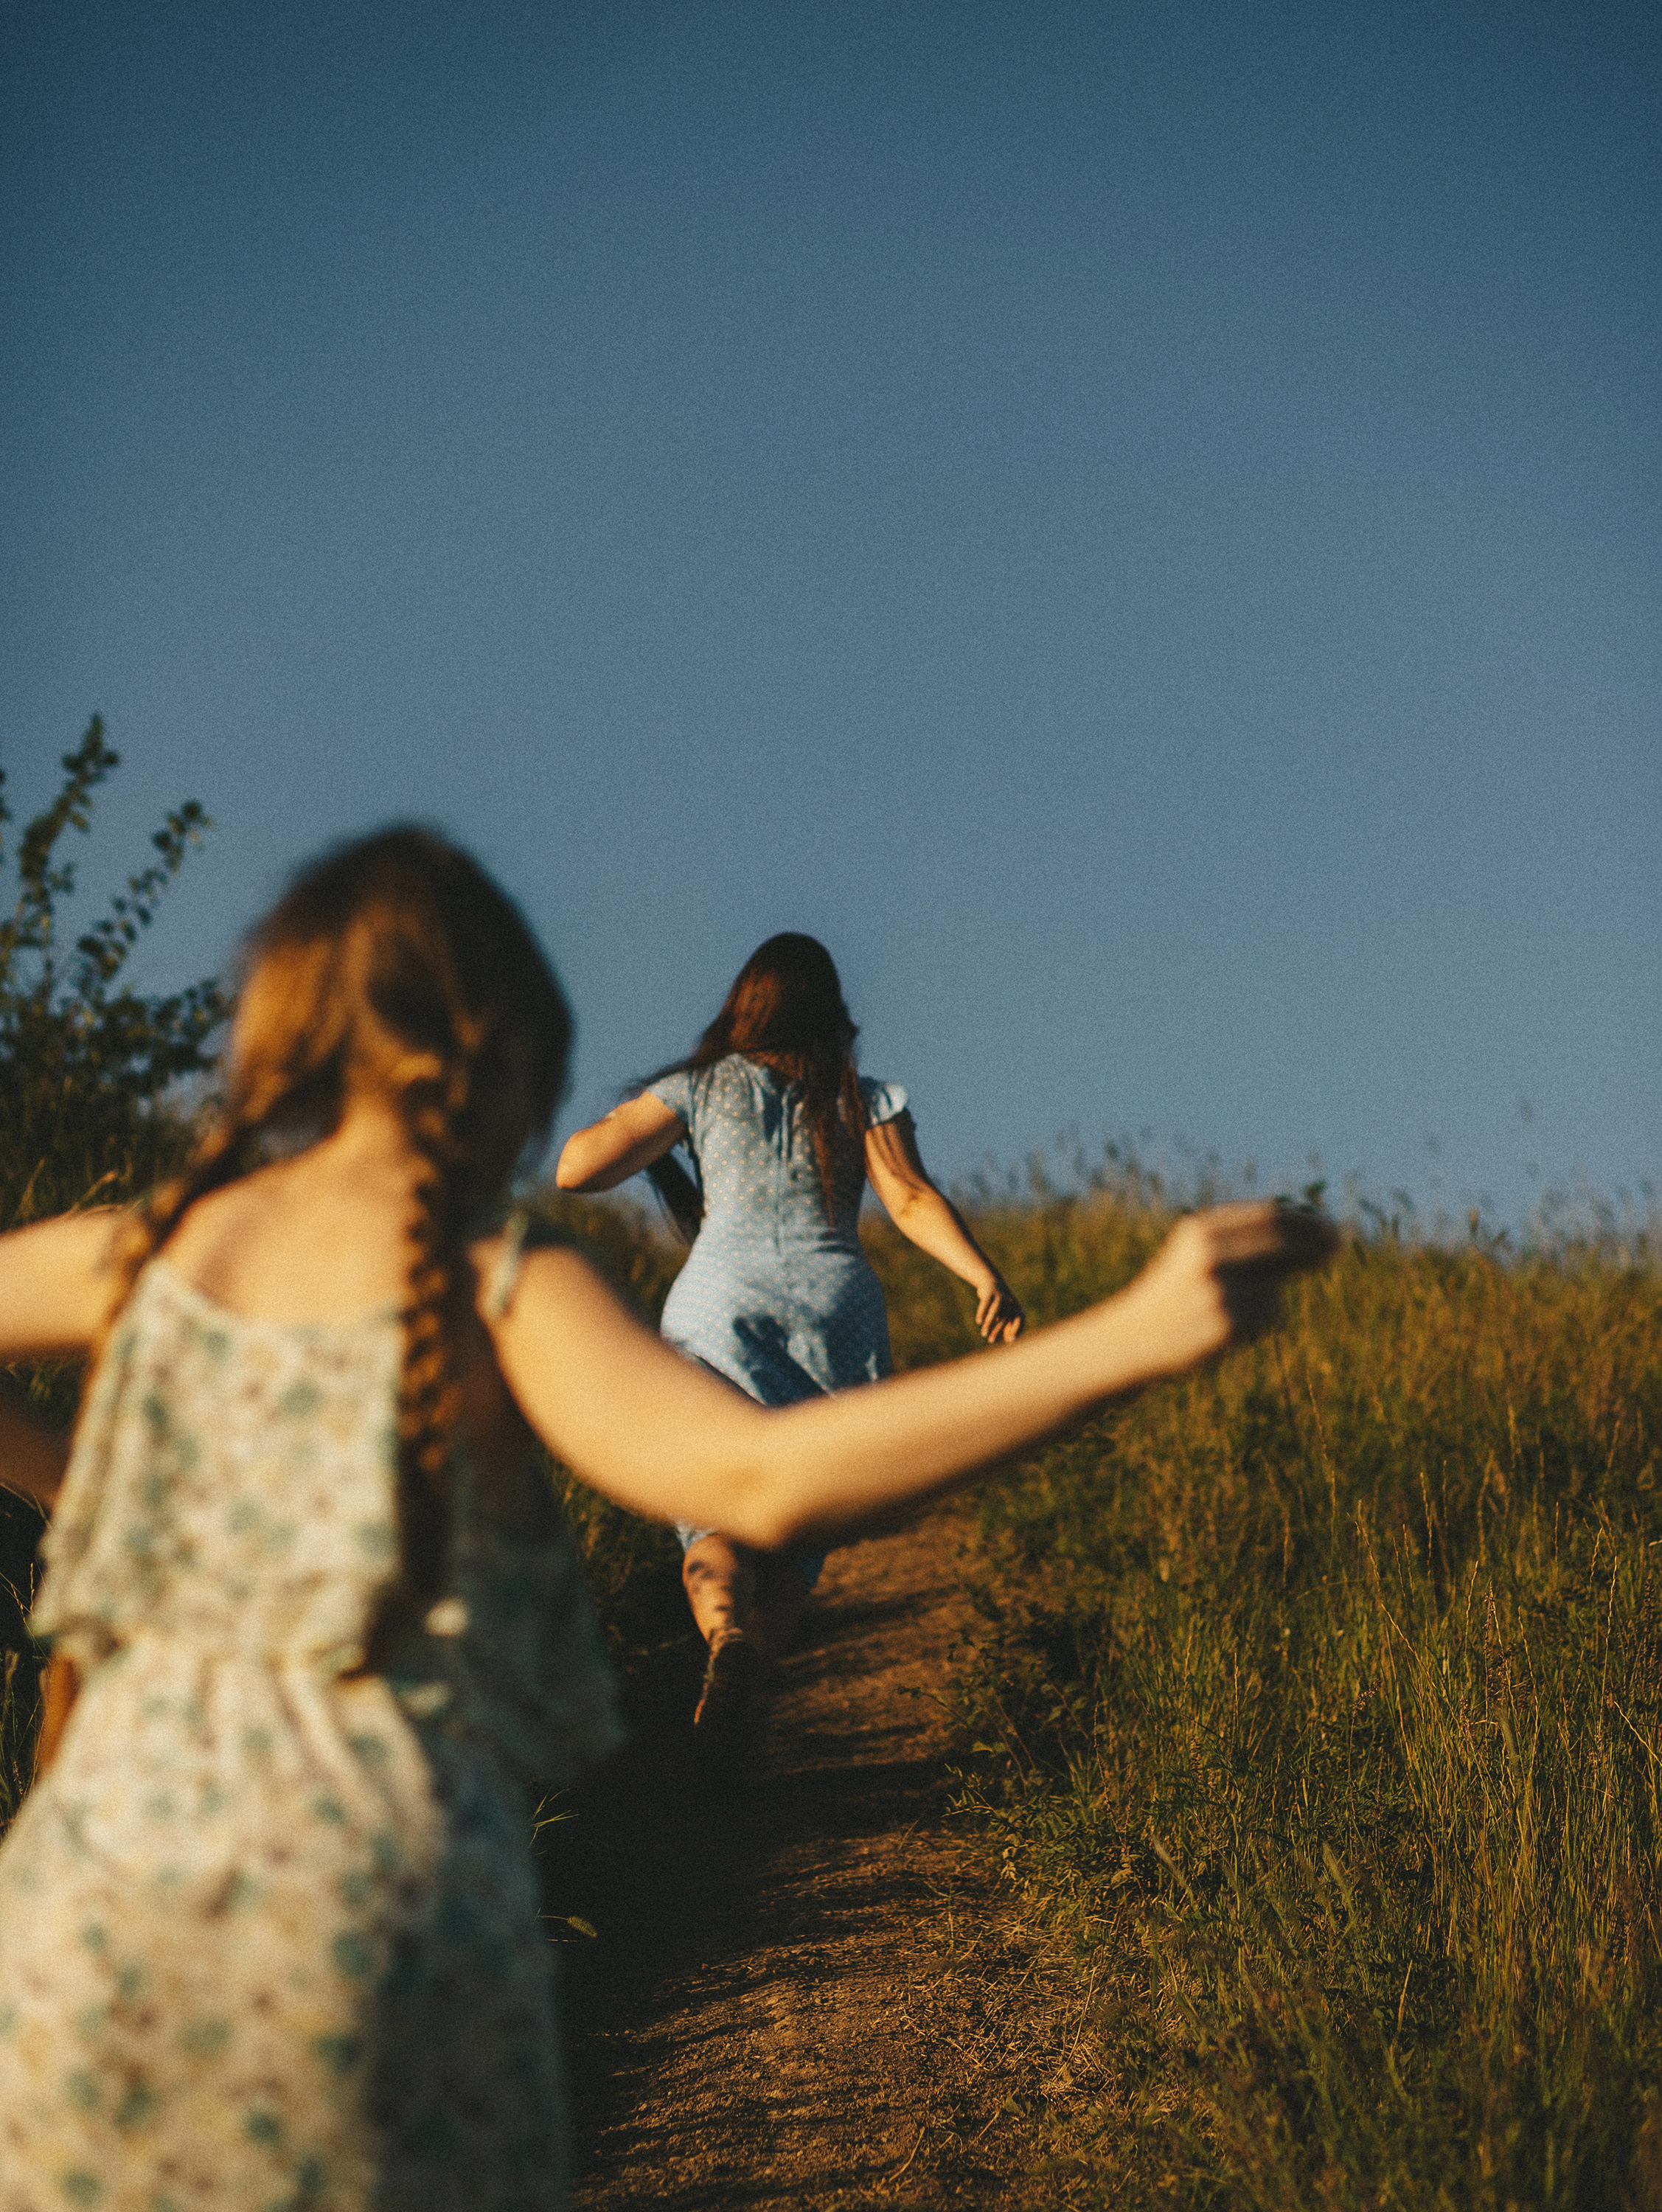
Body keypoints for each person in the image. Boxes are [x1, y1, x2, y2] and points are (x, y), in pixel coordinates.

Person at [0, 828, 1332, 2210]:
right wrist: (1125, 1336)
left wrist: (69, 1483)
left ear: (278, 1042)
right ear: (501, 1056)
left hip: (84, 1928)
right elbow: (766, 1476)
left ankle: (714, 1621)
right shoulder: (494, 1282)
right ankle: (739, 1634)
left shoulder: (132, 1253)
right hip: (372, 1942)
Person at [555, 933, 1026, 1769]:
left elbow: (577, 1170)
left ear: (745, 1005)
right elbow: (912, 1201)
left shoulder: (698, 1089)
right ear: (831, 1010)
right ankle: (751, 1675)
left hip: (715, 1306)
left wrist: (650, 1119)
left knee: (710, 1505)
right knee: (797, 1522)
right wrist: (982, 1277)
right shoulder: (865, 1097)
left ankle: (725, 1635)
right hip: (831, 1311)